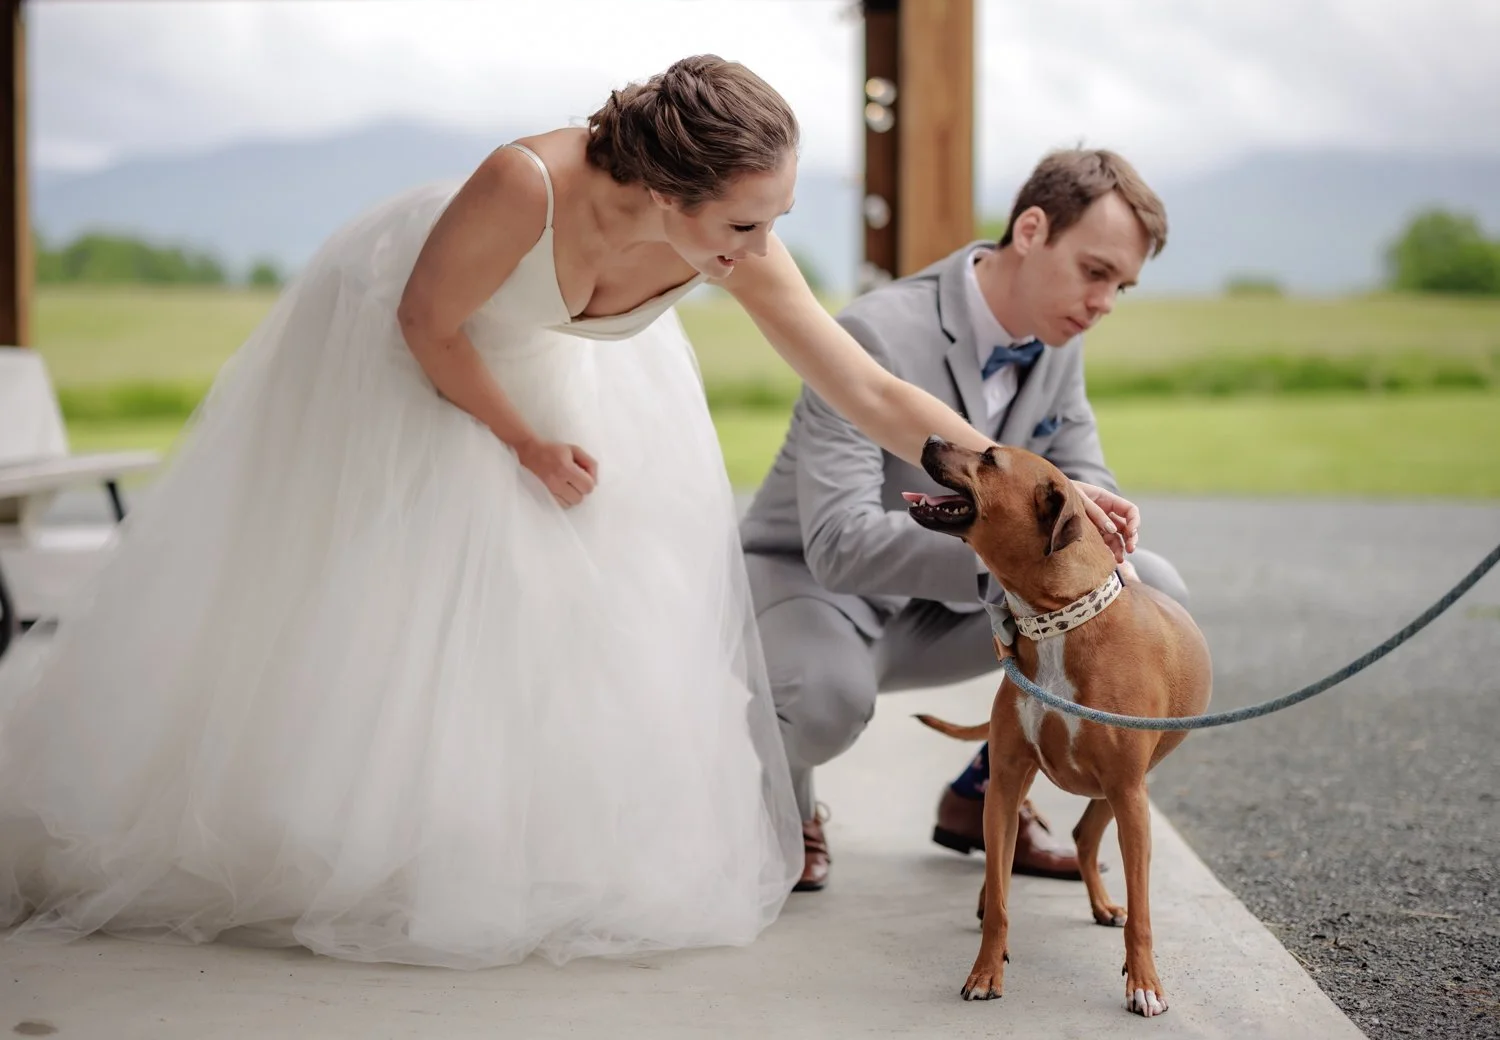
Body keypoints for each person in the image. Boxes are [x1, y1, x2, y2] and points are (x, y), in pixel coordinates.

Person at [0, 57, 1135, 970]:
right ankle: (314, 823)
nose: (758, 250)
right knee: (382, 602)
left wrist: (1026, 475)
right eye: (744, 225)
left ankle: (500, 840)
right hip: (417, 358)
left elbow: (869, 388)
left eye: (774, 220)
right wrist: (526, 440)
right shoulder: (523, 185)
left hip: (563, 372)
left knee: (570, 611)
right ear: (661, 194)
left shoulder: (731, 236)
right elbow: (427, 328)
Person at [739, 147, 1188, 891]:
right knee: (824, 700)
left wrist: (1100, 526)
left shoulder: (1056, 339)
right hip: (814, 589)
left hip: (955, 602)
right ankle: (788, 805)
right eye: (1096, 272)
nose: (1103, 302)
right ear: (1032, 229)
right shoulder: (875, 334)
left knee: (1152, 592)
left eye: (1121, 287)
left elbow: (1083, 472)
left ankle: (988, 785)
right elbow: (838, 543)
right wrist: (1012, 555)